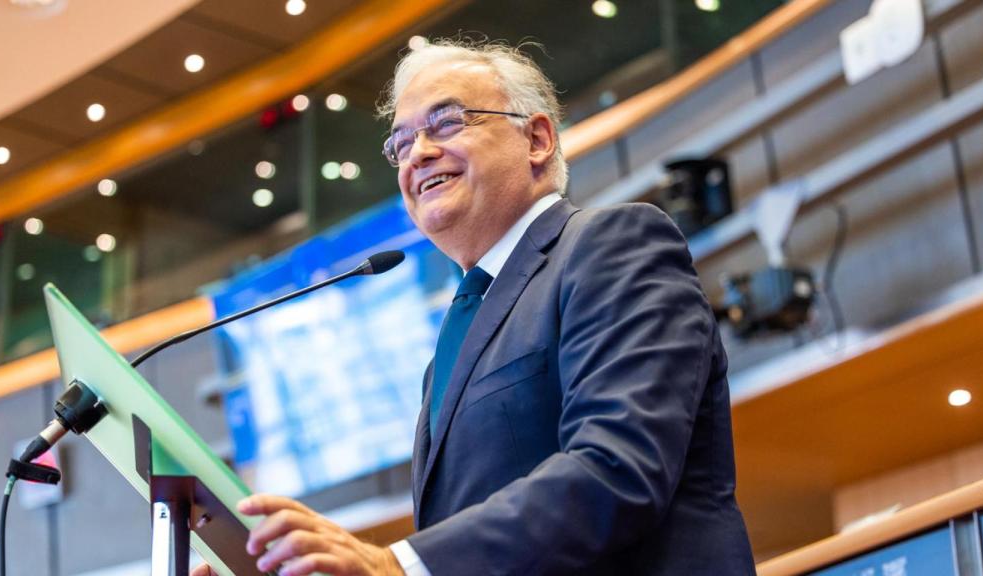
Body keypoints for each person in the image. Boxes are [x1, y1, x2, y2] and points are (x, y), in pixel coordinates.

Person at [194, 39, 755, 576]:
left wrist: (397, 564)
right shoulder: (452, 344)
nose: (419, 153)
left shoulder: (613, 243)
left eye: (446, 122)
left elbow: (618, 467)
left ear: (536, 140)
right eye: (401, 143)